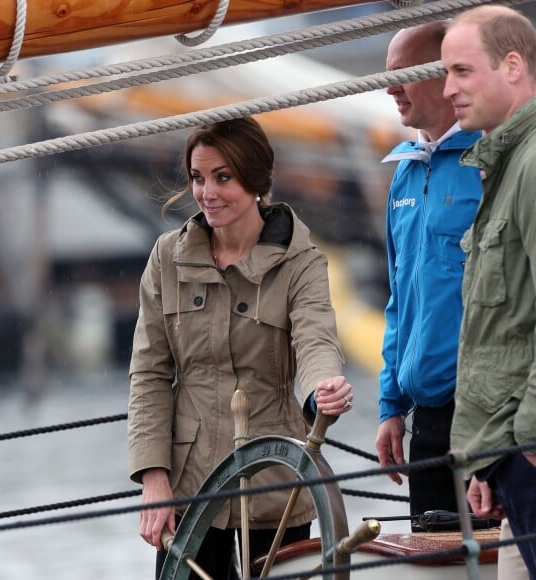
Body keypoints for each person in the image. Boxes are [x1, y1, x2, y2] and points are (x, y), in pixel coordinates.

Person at [127, 116, 354, 579]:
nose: (207, 192)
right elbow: (148, 372)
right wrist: (154, 478)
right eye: (197, 178)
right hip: (190, 488)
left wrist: (323, 389)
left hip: (278, 482)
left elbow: (316, 339)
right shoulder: (165, 258)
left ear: (256, 181)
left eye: (222, 177)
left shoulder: (301, 261)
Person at [374, 20, 483, 527]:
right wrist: (391, 405)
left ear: (448, 77)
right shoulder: (405, 172)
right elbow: (401, 300)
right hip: (430, 418)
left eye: (404, 73)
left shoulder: (493, 162)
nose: (389, 87)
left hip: (486, 409)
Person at [441, 5, 536, 575]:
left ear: (513, 66)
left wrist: (527, 435)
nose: (447, 88)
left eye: (461, 71)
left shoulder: (531, 164)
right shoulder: (507, 163)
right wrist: (486, 458)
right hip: (510, 447)